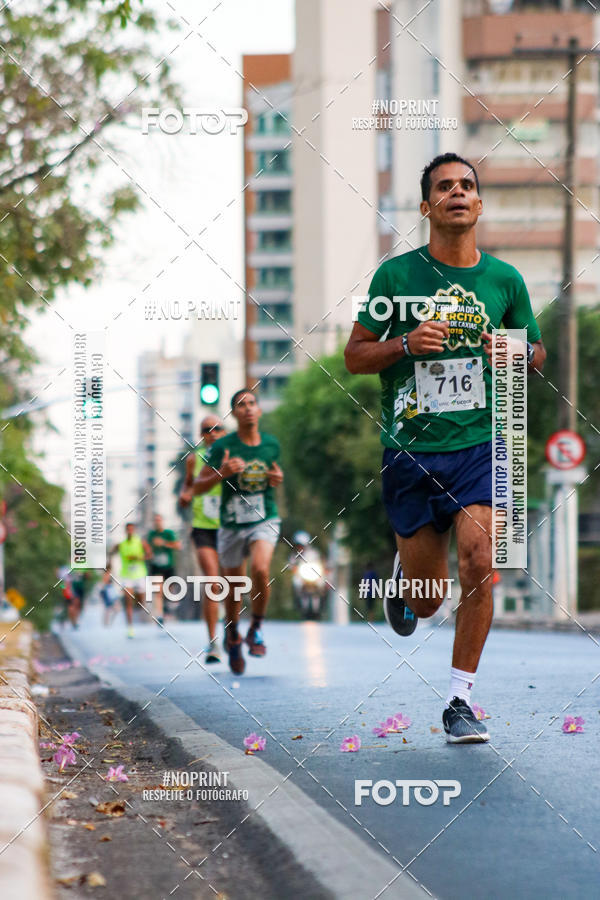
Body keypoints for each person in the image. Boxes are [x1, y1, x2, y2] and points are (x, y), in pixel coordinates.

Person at [344, 152, 546, 743]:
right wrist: (405, 344)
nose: (457, 192)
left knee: (482, 558)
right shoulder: (396, 278)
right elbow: (354, 356)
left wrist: (509, 350)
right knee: (430, 601)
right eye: (444, 187)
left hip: (486, 444)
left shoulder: (505, 281)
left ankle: (459, 700)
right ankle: (406, 583)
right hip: (411, 451)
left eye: (467, 185)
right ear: (427, 206)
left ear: (479, 204)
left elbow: (535, 355)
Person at [193, 389, 283, 675]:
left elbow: (275, 474)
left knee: (260, 569)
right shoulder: (222, 447)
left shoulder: (271, 445)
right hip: (231, 524)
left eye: (252, 403)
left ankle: (255, 627)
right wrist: (222, 472)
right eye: (241, 405)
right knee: (234, 588)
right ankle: (232, 633)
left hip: (263, 517)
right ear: (234, 414)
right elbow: (197, 486)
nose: (248, 408)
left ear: (259, 410)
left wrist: (277, 478)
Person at [180, 415, 226, 663]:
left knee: (233, 583)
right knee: (213, 582)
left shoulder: (232, 454)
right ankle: (213, 643)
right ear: (202, 434)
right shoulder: (194, 459)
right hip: (203, 527)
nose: (213, 433)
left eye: (218, 428)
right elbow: (187, 485)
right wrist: (185, 495)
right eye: (208, 429)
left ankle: (231, 630)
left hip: (230, 526)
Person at [111, 522, 151, 638]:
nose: (130, 531)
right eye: (128, 530)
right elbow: (111, 553)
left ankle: (137, 605)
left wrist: (139, 557)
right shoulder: (121, 545)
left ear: (134, 531)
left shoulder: (140, 542)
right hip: (126, 576)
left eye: (131, 529)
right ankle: (130, 628)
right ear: (125, 531)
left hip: (139, 575)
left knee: (140, 601)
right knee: (128, 600)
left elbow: (149, 555)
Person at [146, 513, 181, 627]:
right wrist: (148, 553)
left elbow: (178, 546)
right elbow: (147, 548)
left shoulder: (168, 533)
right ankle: (160, 615)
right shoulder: (151, 535)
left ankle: (167, 606)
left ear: (162, 521)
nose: (157, 522)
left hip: (169, 566)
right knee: (158, 590)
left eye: (159, 520)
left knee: (168, 590)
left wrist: (164, 543)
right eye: (155, 520)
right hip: (156, 566)